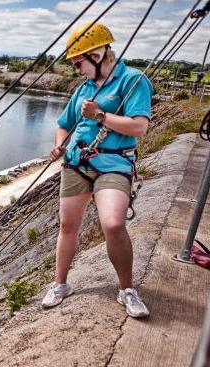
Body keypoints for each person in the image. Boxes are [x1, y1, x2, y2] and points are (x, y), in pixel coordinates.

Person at [44, 22, 152, 318]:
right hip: (77, 163)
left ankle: (127, 289)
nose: (77, 69)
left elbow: (139, 127)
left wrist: (100, 115)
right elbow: (64, 124)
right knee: (68, 226)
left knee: (114, 224)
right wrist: (60, 145)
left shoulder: (132, 81)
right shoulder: (85, 88)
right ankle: (60, 284)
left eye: (79, 62)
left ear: (96, 54)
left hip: (114, 163)